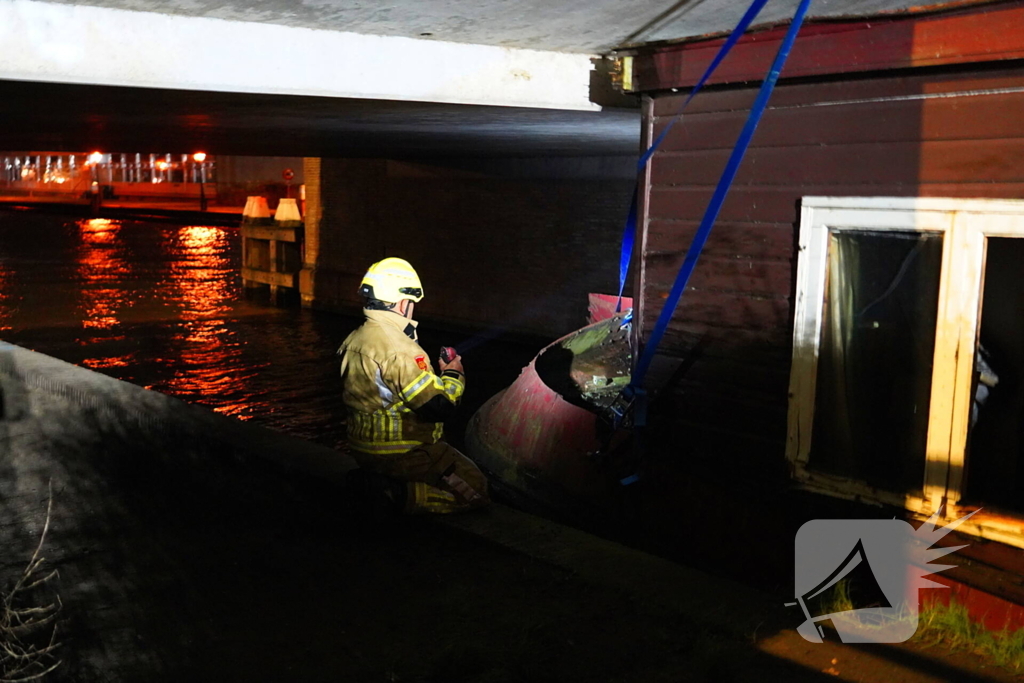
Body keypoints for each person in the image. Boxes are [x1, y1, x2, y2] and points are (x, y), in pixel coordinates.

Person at [338, 257, 489, 514]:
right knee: (475, 489)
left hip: (363, 449)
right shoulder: (399, 348)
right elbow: (437, 407)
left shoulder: (356, 338)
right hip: (404, 453)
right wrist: (454, 375)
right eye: (413, 303)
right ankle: (393, 496)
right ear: (403, 301)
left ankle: (376, 483)